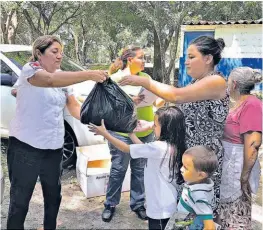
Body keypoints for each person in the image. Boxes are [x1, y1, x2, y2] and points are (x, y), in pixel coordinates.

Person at [119, 35, 229, 219]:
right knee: (186, 211)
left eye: (192, 57)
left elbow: (176, 96)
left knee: (200, 211)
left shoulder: (216, 81)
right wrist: (151, 124)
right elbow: (182, 115)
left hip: (203, 159)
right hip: (188, 157)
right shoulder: (197, 82)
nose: (186, 62)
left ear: (208, 58)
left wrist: (146, 82)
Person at [6, 35, 107, 230]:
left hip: (53, 148)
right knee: (20, 201)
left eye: (61, 52)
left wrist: (100, 121)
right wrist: (89, 74)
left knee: (53, 197)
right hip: (25, 147)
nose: (60, 56)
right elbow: (50, 81)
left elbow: (74, 107)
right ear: (39, 53)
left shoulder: (63, 80)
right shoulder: (30, 71)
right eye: (54, 52)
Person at [88, 106, 186, 230]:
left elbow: (126, 148)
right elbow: (145, 149)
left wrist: (105, 134)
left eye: (155, 126)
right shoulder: (172, 146)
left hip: (159, 208)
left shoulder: (158, 148)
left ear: (166, 129)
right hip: (167, 204)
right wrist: (131, 134)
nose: (153, 128)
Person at [98, 46, 161, 222]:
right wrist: (129, 102)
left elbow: (153, 99)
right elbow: (106, 107)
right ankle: (110, 204)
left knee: (140, 169)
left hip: (144, 131)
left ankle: (138, 203)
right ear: (130, 60)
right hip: (120, 132)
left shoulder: (146, 78)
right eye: (141, 57)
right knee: (118, 169)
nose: (144, 61)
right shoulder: (115, 79)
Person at [219, 67, 262, 229]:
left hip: (238, 165)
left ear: (234, 84)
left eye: (228, 82)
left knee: (237, 213)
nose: (226, 85)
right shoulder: (239, 103)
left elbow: (253, 144)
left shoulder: (252, 105)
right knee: (227, 212)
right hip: (231, 164)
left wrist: (244, 177)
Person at [178, 146, 219, 230]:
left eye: (186, 168)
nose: (181, 169)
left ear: (200, 175)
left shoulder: (199, 196)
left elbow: (210, 227)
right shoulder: (197, 182)